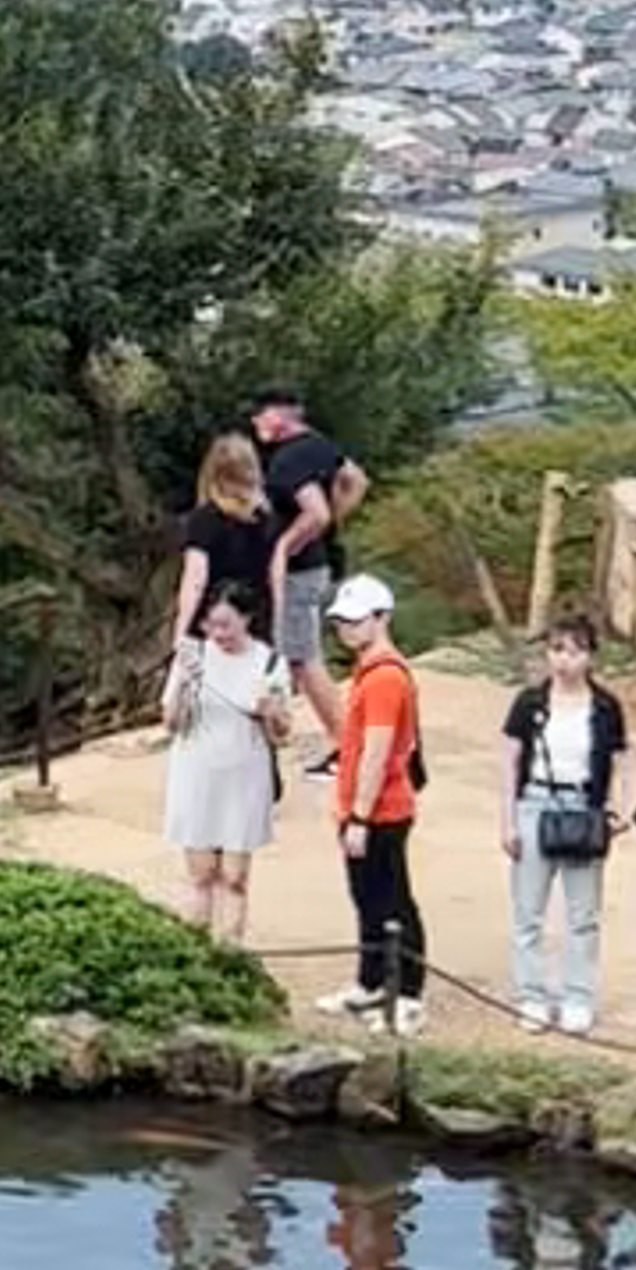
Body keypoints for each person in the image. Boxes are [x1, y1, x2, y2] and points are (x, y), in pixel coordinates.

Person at [500, 611, 625, 1038]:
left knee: (582, 914)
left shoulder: (606, 706)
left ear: (590, 655)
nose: (564, 660)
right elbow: (510, 760)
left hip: (583, 805)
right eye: (556, 650)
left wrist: (615, 807)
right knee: (528, 911)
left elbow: (617, 760)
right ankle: (533, 996)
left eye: (574, 651)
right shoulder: (530, 703)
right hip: (535, 802)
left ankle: (578, 997)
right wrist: (508, 820)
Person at [323, 574, 427, 1036]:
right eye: (342, 622)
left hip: (381, 809)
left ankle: (407, 991)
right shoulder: (368, 671)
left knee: (391, 900)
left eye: (356, 621)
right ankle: (370, 981)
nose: (346, 630)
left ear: (381, 619)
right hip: (359, 805)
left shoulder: (385, 676)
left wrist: (361, 815)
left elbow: (378, 750)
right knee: (366, 897)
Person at [159, 583, 289, 951]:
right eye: (212, 625)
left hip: (244, 775)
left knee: (235, 876)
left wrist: (272, 712)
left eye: (227, 625)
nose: (219, 635)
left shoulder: (269, 662)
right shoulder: (192, 657)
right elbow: (172, 723)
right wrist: (183, 684)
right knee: (201, 873)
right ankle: (197, 952)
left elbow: (281, 733)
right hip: (197, 772)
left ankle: (231, 951)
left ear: (247, 619)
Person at [254, 387, 366, 771]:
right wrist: (337, 520)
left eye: (262, 415)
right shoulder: (319, 444)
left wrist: (288, 543)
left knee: (303, 658)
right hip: (317, 565)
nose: (256, 423)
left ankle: (347, 745)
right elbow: (356, 479)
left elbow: (314, 512)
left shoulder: (286, 461)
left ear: (281, 416)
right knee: (296, 653)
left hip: (298, 571)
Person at [169, 431, 279, 659]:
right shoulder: (267, 520)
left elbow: (195, 577)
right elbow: (276, 574)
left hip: (213, 621)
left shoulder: (204, 520)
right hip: (255, 618)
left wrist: (180, 630)